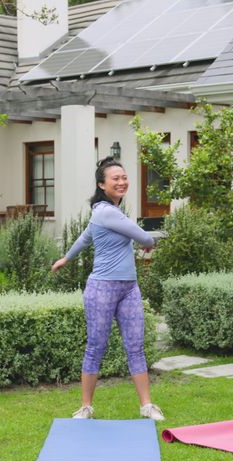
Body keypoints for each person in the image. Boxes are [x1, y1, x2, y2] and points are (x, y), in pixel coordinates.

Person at [51, 157, 165, 422]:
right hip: (102, 288)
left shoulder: (102, 214)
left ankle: (147, 406)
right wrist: (148, 243)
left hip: (128, 288)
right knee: (96, 347)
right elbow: (145, 237)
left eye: (124, 177)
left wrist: (66, 258)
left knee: (135, 347)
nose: (122, 182)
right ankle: (86, 407)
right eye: (115, 178)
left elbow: (85, 237)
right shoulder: (106, 212)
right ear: (102, 185)